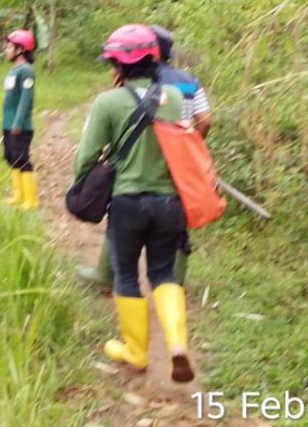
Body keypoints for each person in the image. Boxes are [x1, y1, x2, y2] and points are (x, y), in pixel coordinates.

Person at [72, 24, 195, 382]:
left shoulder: (108, 102)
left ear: (118, 66)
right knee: (163, 273)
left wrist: (83, 184)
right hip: (170, 203)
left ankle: (136, 352)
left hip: (128, 203)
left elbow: (87, 155)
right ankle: (177, 345)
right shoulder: (174, 98)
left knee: (126, 273)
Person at [76, 25, 212, 288]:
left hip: (139, 168)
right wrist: (189, 146)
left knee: (123, 229)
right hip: (176, 166)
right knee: (175, 229)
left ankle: (106, 274)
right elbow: (205, 120)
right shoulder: (189, 81)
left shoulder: (146, 84)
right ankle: (175, 281)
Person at [2, 29, 38, 210]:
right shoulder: (13, 71)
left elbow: (26, 99)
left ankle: (31, 199)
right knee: (12, 158)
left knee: (22, 159)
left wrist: (17, 123)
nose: (6, 50)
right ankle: (17, 195)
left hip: (20, 126)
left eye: (10, 47)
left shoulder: (26, 71)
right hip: (8, 123)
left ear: (20, 50)